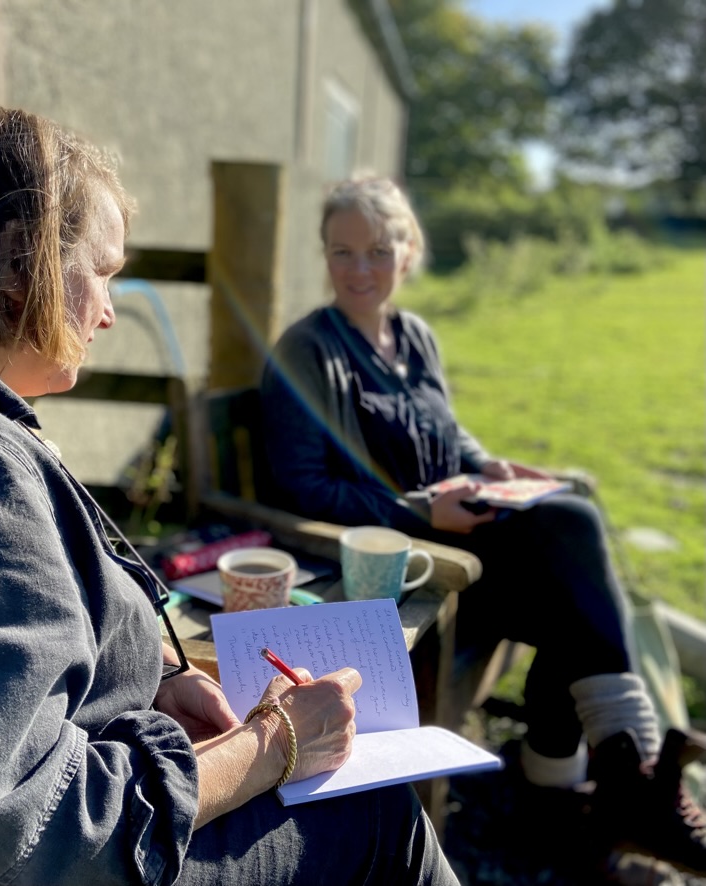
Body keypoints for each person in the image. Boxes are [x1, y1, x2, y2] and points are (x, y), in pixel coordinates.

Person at [0, 109, 461, 886]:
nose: (109, 311)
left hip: (104, 782)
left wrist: (156, 675)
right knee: (376, 814)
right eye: (105, 271)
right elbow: (21, 842)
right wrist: (272, 746)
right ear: (24, 262)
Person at [260, 175, 706, 874]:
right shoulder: (306, 351)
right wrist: (418, 511)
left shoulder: (416, 337)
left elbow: (448, 435)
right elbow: (300, 485)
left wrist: (488, 465)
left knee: (574, 582)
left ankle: (590, 789)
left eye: (378, 250)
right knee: (575, 557)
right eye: (341, 252)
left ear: (408, 253)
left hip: (465, 547)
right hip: (409, 569)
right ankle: (603, 781)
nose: (360, 269)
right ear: (325, 255)